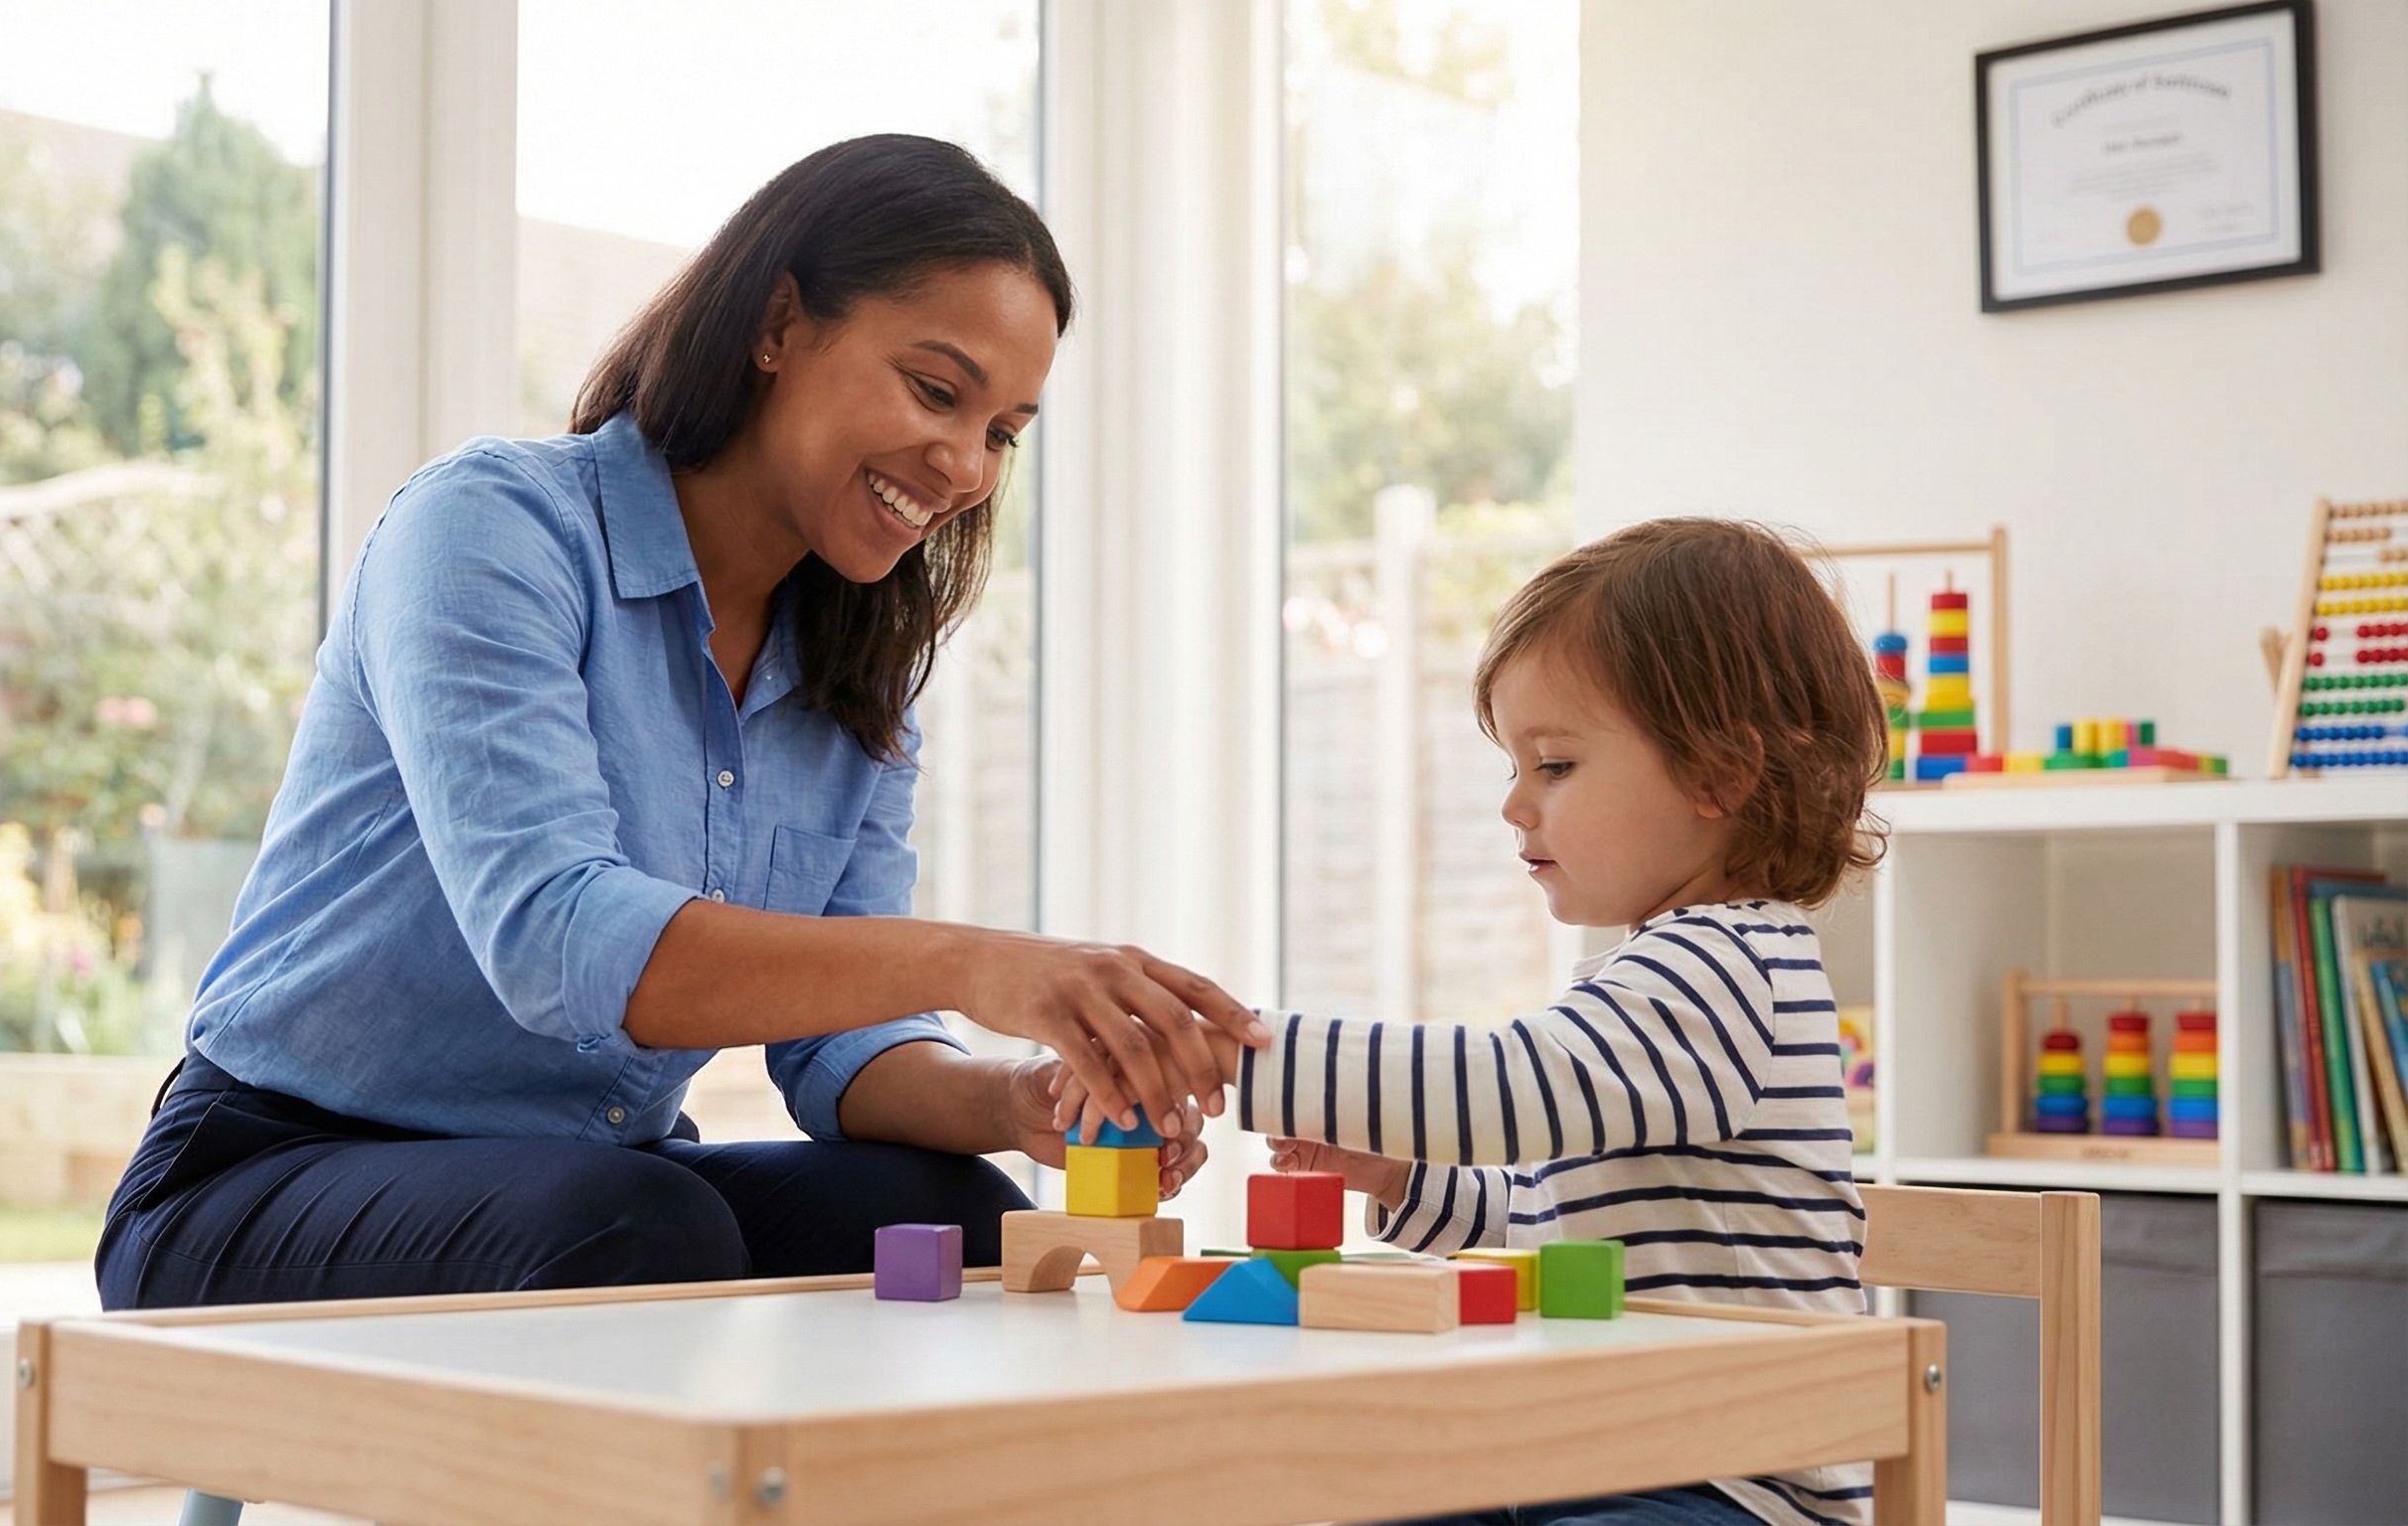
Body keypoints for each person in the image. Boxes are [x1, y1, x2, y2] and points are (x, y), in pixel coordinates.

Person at [97, 134, 1266, 1313]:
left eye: (1002, 433)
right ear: (776, 325)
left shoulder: (855, 667)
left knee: (954, 1217)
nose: (964, 466)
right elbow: (559, 941)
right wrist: (978, 962)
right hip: (266, 1176)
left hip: (594, 1180)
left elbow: (841, 1049)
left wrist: (1018, 1099)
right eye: (934, 390)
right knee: (642, 1227)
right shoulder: (492, 530)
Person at [1085, 518, 1888, 1526]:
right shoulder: (1654, 970)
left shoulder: (1726, 968)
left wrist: (1240, 1051)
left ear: (1717, 776)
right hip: (1594, 1451)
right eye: (1514, 767)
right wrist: (1403, 1181)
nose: (1514, 805)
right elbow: (1556, 1227)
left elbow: (1514, 1088)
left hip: (1731, 1480)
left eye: (1552, 766)